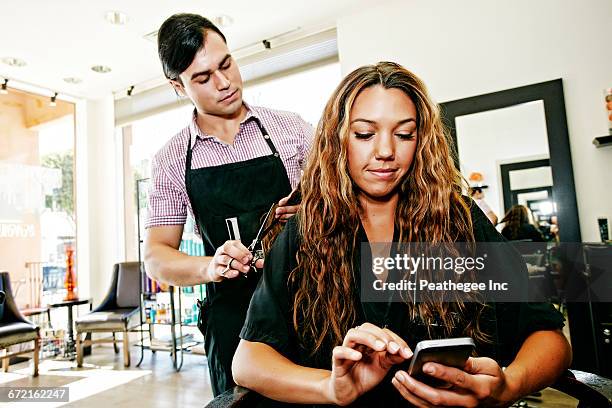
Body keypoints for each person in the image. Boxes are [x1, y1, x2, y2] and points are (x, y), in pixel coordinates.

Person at [232, 62, 571, 406]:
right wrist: (329, 388)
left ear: (421, 141)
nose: (385, 151)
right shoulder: (307, 231)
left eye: (405, 134)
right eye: (364, 134)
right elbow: (248, 361)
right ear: (338, 140)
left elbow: (551, 339)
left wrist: (507, 387)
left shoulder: (460, 222)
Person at [143, 13, 312, 396]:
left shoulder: (293, 132)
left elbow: (349, 209)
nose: (224, 83)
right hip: (231, 322)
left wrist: (314, 215)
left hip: (304, 307)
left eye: (226, 64)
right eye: (203, 78)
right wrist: (211, 265)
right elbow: (156, 256)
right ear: (177, 86)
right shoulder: (172, 159)